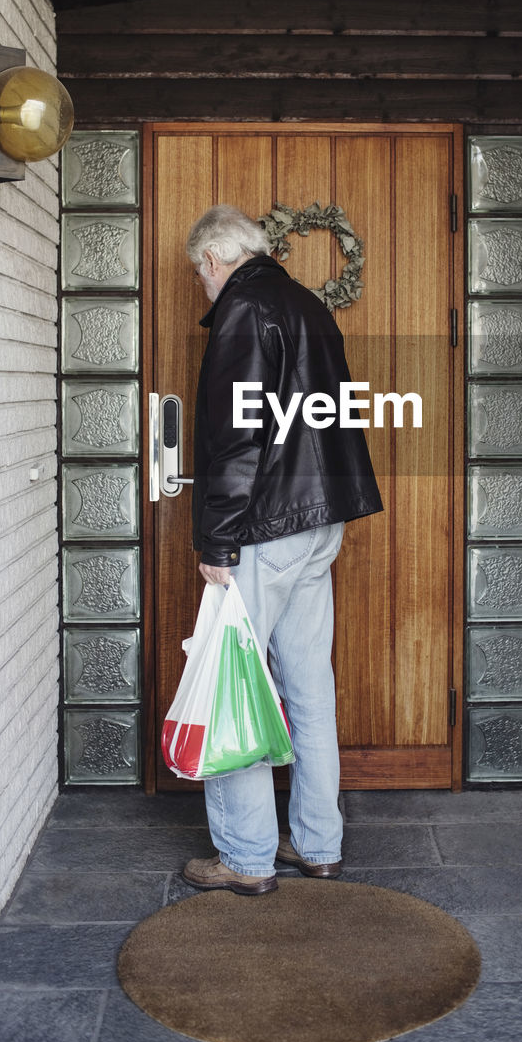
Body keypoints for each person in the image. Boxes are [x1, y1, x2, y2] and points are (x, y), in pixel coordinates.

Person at [181, 204, 382, 895]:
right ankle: (319, 844)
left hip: (264, 525)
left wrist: (217, 538)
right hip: (320, 520)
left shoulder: (244, 310)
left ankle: (245, 859)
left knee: (232, 681)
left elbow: (238, 437)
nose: (203, 289)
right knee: (307, 686)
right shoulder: (305, 303)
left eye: (199, 276)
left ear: (213, 261)